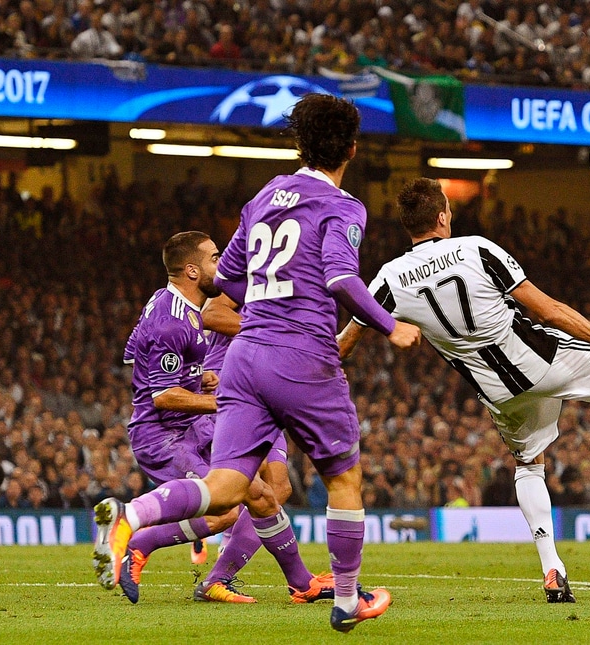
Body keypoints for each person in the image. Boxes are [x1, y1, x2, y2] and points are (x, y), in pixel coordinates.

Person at [93, 94, 420, 633]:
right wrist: (390, 326)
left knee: (226, 486)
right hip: (302, 356)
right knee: (344, 478)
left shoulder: (264, 196)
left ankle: (133, 515)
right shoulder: (343, 205)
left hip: (245, 359)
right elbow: (341, 279)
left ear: (300, 145)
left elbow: (223, 278)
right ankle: (345, 601)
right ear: (352, 150)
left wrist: (270, 295)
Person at [336, 177, 590, 603]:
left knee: (529, 464)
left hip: (498, 393)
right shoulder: (476, 249)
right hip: (539, 360)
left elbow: (344, 344)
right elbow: (551, 311)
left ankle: (552, 568)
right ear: (442, 216)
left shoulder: (389, 278)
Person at [116, 232, 330, 606]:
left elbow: (135, 354)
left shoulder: (181, 309)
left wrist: (196, 376)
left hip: (250, 397)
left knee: (270, 490)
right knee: (229, 504)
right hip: (211, 406)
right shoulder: (242, 278)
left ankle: (293, 583)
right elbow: (212, 316)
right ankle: (140, 540)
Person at [192, 293, 333, 603]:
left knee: (278, 487)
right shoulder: (251, 278)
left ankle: (219, 575)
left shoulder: (301, 299)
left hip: (265, 393)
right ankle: (138, 532)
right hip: (231, 386)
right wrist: (268, 332)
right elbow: (211, 313)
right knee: (234, 494)